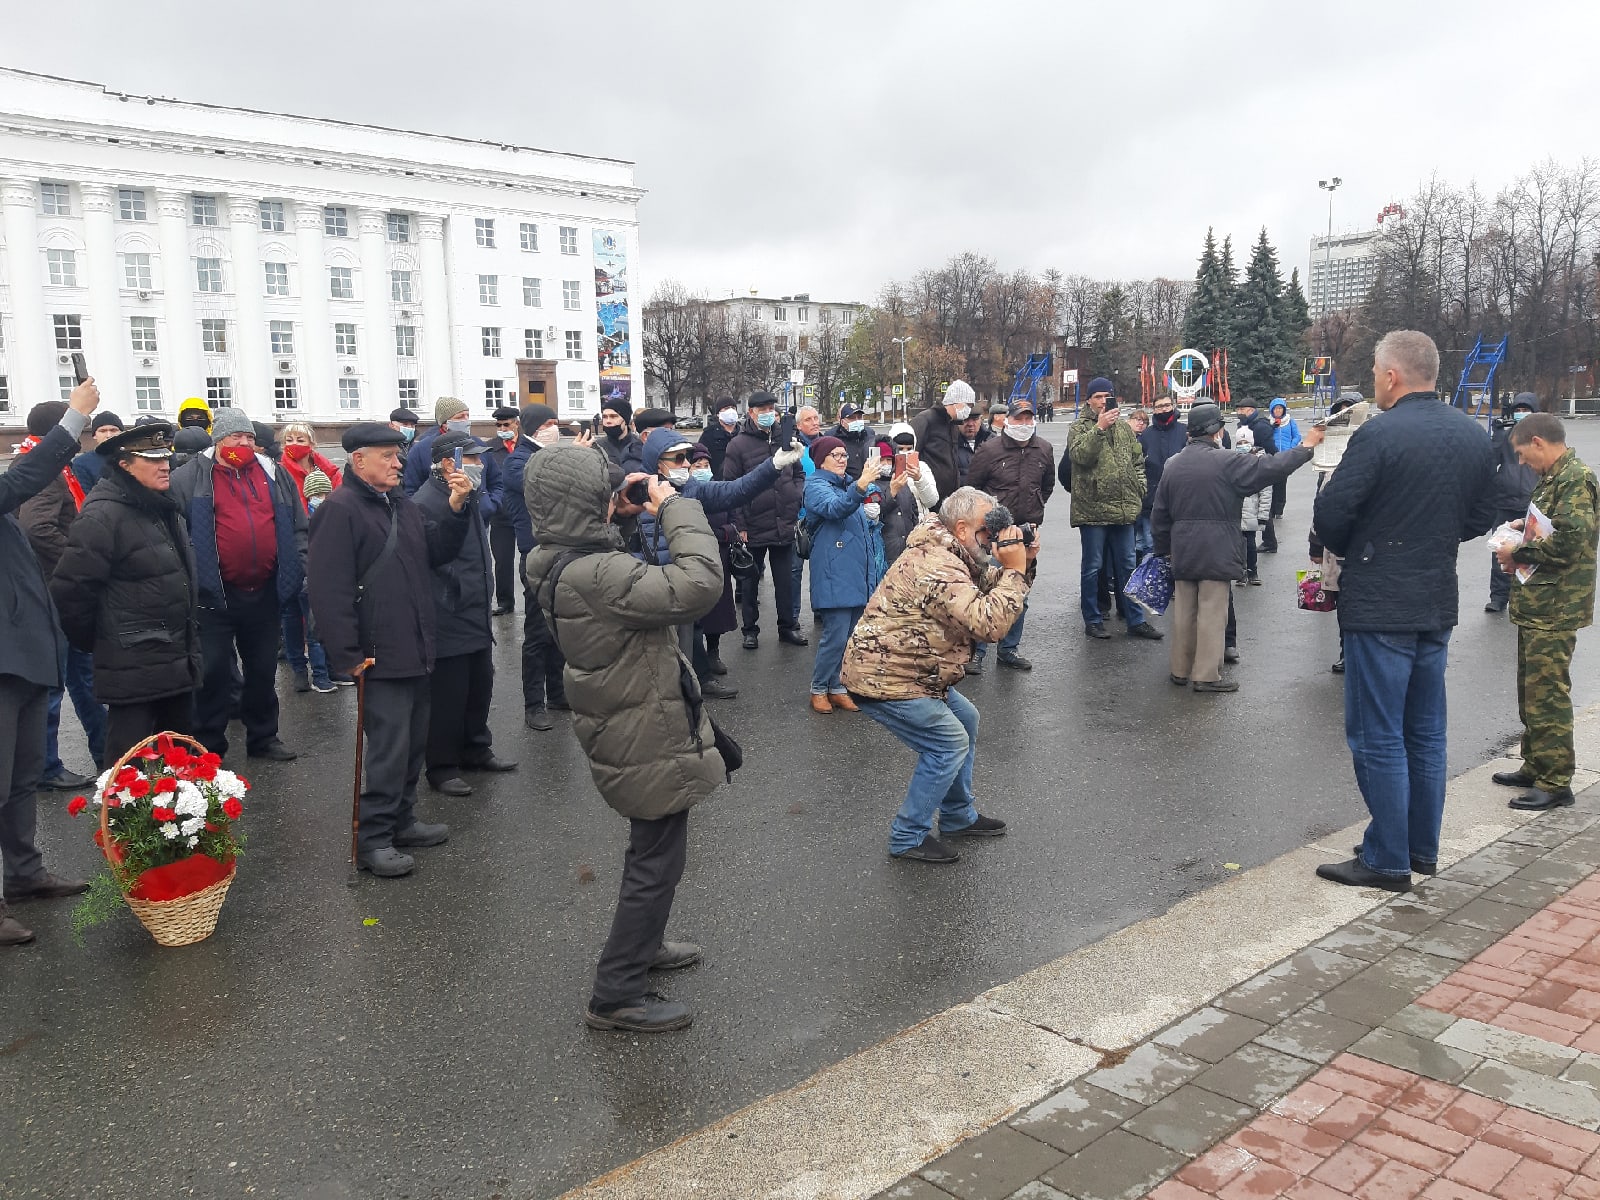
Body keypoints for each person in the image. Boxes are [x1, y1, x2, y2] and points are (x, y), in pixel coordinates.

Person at [524, 443, 727, 1034]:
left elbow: (609, 564)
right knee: (656, 857)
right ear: (584, 504)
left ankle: (645, 946)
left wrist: (615, 511)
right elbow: (697, 584)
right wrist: (674, 508)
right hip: (641, 721)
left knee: (657, 846)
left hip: (625, 708)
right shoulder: (598, 572)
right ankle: (615, 993)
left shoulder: (550, 556)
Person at [1311, 330, 1496, 892]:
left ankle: (1386, 858)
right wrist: (1432, 538)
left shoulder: (1378, 434)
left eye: (1374, 371)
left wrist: (1371, 542)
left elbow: (1332, 514)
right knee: (1426, 731)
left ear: (1391, 375)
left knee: (1378, 733)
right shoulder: (1471, 433)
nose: (1373, 379)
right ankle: (1421, 847)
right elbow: (1487, 511)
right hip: (1436, 599)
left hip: (1381, 603)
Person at [307, 423, 471, 878]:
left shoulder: (400, 503)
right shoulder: (339, 510)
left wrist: (456, 509)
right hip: (377, 652)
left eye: (398, 456)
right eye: (387, 456)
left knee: (412, 743)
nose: (398, 463)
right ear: (359, 460)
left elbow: (434, 553)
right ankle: (373, 839)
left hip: (415, 645)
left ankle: (402, 820)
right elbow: (327, 587)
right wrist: (346, 654)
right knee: (387, 750)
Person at [842, 487, 1029, 863]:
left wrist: (1024, 564)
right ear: (961, 529)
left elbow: (988, 590)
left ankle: (958, 816)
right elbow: (988, 623)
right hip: (886, 675)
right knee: (948, 743)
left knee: (967, 720)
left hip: (915, 670)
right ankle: (907, 836)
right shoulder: (936, 564)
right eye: (985, 531)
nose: (991, 538)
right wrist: (1016, 570)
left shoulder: (952, 552)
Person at [1, 378, 100, 946]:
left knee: (19, 779)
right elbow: (24, 480)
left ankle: (24, 874)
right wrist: (72, 418)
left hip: (23, 653)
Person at [51, 419, 203, 771]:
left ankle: (180, 825)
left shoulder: (163, 505)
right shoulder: (103, 513)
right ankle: (119, 827)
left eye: (166, 457)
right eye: (152, 459)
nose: (165, 464)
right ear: (124, 465)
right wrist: (106, 639)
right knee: (127, 770)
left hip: (176, 657)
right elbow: (71, 590)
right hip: (131, 664)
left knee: (179, 764)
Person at [168, 408, 306, 763]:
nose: (244, 444)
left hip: (265, 590)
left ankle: (264, 738)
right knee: (212, 672)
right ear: (218, 440)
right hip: (214, 595)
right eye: (235, 437)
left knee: (262, 670)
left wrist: (298, 565)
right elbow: (175, 531)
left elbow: (297, 524)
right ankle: (208, 746)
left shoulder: (272, 474)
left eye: (248, 437)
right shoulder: (188, 477)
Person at [1153, 402, 1319, 693]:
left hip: (1182, 549)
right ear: (1216, 431)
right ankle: (1205, 675)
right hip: (1216, 548)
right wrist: (1305, 448)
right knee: (1212, 612)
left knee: (1184, 612)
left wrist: (1164, 550)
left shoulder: (1173, 464)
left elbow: (1160, 514)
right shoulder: (1227, 461)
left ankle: (1180, 669)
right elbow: (1271, 468)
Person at [637, 427, 797, 700]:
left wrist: (774, 465)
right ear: (657, 463)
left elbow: (736, 490)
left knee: (692, 635)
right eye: (677, 459)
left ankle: (697, 684)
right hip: (654, 589)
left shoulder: (692, 490)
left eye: (686, 457)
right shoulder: (636, 496)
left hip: (684, 582)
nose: (686, 464)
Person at [1492, 413, 1598, 812]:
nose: (1521, 463)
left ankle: (1555, 782)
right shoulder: (1556, 477)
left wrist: (1517, 551)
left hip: (1557, 606)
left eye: (1521, 453)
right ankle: (1535, 764)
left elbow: (1571, 542)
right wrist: (1525, 528)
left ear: (1537, 442)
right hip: (1540, 604)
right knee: (1531, 690)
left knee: (1548, 694)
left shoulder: (1574, 480)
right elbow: (1552, 528)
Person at [412, 431, 517, 796]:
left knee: (479, 684)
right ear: (447, 463)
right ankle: (441, 766)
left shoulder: (466, 495)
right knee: (447, 694)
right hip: (449, 610)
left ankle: (475, 747)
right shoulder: (428, 501)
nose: (481, 465)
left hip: (474, 606)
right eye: (473, 459)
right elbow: (433, 558)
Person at [16, 401, 105, 790]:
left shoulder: (42, 463)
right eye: (77, 429)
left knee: (82, 675)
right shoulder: (45, 471)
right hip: (55, 589)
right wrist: (78, 559)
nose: (82, 437)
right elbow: (38, 529)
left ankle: (107, 753)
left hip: (56, 588)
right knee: (58, 682)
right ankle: (46, 768)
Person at [964, 398, 1056, 672]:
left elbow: (1047, 486)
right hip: (993, 535)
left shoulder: (1044, 449)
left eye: (1029, 419)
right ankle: (977, 652)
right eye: (1019, 419)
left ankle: (1008, 649)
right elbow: (972, 490)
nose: (1025, 424)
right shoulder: (989, 450)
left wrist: (1034, 509)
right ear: (1007, 421)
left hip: (1026, 533)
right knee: (983, 591)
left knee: (1019, 594)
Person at [1068, 378, 1162, 642]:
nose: (1103, 401)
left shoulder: (1123, 428)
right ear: (1088, 400)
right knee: (1093, 567)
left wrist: (1139, 488)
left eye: (1107, 396)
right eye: (1097, 396)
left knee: (1129, 565)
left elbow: (1137, 461)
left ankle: (1136, 620)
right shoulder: (1079, 427)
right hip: (1093, 511)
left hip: (1123, 510)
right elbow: (1080, 457)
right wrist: (1099, 428)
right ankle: (1094, 620)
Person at [499, 403, 571, 731]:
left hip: (561, 551)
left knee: (559, 627)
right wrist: (573, 461)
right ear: (532, 428)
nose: (554, 430)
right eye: (549, 424)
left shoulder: (548, 454)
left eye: (556, 423)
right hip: (536, 555)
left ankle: (557, 693)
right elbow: (543, 482)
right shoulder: (516, 461)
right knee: (537, 631)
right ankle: (533, 703)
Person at [803, 436, 886, 713]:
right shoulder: (816, 486)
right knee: (835, 636)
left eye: (843, 454)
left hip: (854, 574)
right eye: (835, 455)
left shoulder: (847, 485)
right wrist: (861, 485)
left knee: (850, 636)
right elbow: (834, 508)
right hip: (833, 573)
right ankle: (818, 688)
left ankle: (837, 686)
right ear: (821, 460)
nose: (842, 459)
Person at [722, 392, 807, 649]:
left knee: (785, 581)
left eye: (771, 408)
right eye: (763, 409)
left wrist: (795, 494)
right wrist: (741, 526)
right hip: (753, 523)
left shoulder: (786, 439)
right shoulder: (738, 445)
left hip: (784, 521)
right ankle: (750, 629)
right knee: (750, 580)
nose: (768, 413)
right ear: (751, 413)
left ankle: (787, 627)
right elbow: (731, 486)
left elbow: (799, 472)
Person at [1486, 394, 1540, 613]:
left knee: (1530, 552)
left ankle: (1527, 597)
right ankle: (1499, 597)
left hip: (1531, 503)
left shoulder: (1540, 438)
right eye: (1519, 409)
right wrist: (1497, 435)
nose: (1522, 413)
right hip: (1504, 501)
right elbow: (1490, 462)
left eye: (1527, 409)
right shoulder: (1505, 436)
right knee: (1501, 550)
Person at [483, 406, 524, 616]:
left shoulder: (527, 445)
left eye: (506, 424)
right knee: (503, 560)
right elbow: (488, 479)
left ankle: (536, 598)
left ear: (516, 423)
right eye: (498, 425)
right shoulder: (490, 449)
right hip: (501, 516)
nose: (502, 428)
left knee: (530, 558)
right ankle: (505, 601)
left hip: (525, 513)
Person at [879, 424, 941, 563]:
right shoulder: (886, 469)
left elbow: (931, 501)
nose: (905, 452)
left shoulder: (922, 467)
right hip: (894, 533)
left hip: (920, 529)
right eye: (900, 449)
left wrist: (919, 479)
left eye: (909, 448)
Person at [911, 379, 977, 502]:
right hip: (927, 495)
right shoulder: (926, 419)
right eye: (969, 405)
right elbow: (911, 453)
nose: (969, 410)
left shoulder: (952, 425)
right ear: (956, 401)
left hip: (948, 497)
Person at [1233, 399, 1280, 551]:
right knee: (1254, 506)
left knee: (1263, 505)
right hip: (1249, 464)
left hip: (1261, 465)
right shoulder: (1245, 425)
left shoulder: (1260, 426)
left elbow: (1270, 448)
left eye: (1241, 409)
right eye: (1238, 410)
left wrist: (1266, 462)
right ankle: (1268, 541)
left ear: (1251, 410)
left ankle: (1270, 542)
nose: (1239, 412)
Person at [403, 396, 472, 496]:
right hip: (436, 508)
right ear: (445, 423)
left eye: (467, 416)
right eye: (460, 417)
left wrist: (490, 504)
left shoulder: (478, 444)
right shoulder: (421, 449)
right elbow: (410, 489)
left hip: (477, 509)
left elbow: (494, 481)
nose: (466, 421)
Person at [1232, 427, 1269, 586]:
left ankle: (1253, 571)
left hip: (1252, 511)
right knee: (1236, 545)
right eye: (1239, 442)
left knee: (1251, 544)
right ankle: (1240, 572)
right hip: (1235, 511)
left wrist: (1263, 515)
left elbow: (1266, 492)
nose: (1242, 445)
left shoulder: (1259, 462)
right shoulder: (1232, 460)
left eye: (1245, 442)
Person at [69, 410, 125, 494]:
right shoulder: (82, 463)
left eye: (113, 430)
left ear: (121, 433)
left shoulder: (133, 458)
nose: (108, 435)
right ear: (94, 435)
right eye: (103, 431)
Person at [598, 398, 645, 474]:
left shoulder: (640, 445)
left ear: (625, 420)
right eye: (604, 417)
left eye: (613, 416)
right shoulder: (597, 447)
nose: (608, 421)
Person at [702, 399, 741, 478]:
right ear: (718, 414)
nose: (730, 411)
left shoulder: (744, 433)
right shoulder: (708, 434)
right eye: (726, 408)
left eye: (733, 408)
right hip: (719, 482)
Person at [955, 410, 989, 487]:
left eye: (974, 419)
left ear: (981, 420)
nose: (970, 424)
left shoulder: (991, 441)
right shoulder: (949, 443)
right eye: (966, 419)